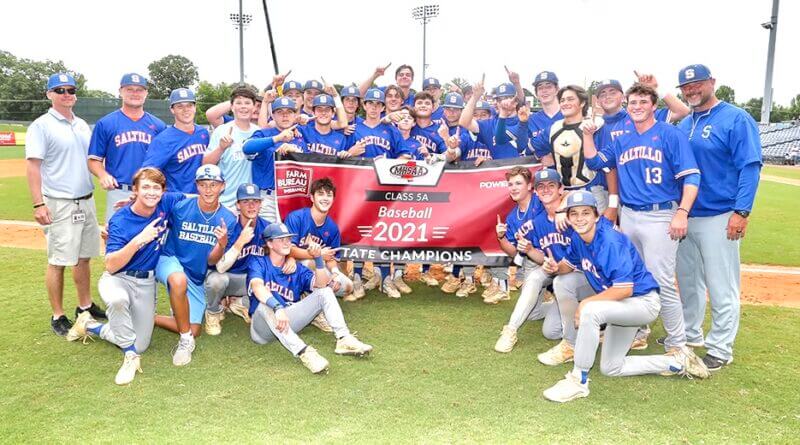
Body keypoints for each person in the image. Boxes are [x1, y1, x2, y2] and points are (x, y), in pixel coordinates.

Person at [540, 191, 709, 403]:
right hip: (620, 303)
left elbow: (625, 289)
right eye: (574, 213)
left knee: (590, 311)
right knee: (611, 367)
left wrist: (585, 304)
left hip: (641, 303)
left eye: (585, 213)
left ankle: (578, 380)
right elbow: (569, 265)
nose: (579, 218)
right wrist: (555, 267)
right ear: (568, 217)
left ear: (596, 216)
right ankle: (677, 362)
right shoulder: (578, 236)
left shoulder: (609, 241)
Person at [582, 83, 700, 355]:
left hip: (660, 214)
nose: (637, 107)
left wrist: (682, 212)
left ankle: (677, 344)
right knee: (634, 276)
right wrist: (588, 135)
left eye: (643, 102)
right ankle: (640, 331)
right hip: (630, 215)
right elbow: (595, 162)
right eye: (633, 102)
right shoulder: (622, 138)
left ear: (654, 106)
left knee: (662, 280)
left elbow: (692, 176)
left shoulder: (669, 134)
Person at [674, 64, 762, 371]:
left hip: (720, 214)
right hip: (686, 215)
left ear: (712, 82)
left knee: (721, 285)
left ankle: (721, 348)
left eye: (697, 83)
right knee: (688, 281)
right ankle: (690, 333)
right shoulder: (685, 123)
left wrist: (742, 211)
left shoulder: (736, 118)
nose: (691, 90)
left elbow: (750, 167)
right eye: (686, 87)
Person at [66, 167, 182, 385]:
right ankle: (130, 357)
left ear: (163, 191)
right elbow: (111, 265)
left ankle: (89, 325)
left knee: (141, 344)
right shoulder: (120, 219)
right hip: (118, 278)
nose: (151, 192)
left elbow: (195, 199)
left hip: (146, 282)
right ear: (135, 190)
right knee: (118, 302)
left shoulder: (165, 203)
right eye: (145, 187)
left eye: (156, 188)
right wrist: (139, 239)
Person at [25, 72, 104, 336]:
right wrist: (38, 204)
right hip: (59, 202)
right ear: (49, 94)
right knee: (58, 260)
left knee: (83, 258)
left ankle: (85, 305)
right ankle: (57, 315)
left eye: (71, 90)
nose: (66, 94)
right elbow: (33, 166)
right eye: (60, 90)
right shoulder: (41, 126)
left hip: (86, 200)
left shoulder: (81, 124)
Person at [247, 222, 374, 374]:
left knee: (325, 292)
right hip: (263, 329)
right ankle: (304, 352)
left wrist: (318, 258)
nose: (287, 242)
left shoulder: (297, 268)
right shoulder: (258, 262)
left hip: (288, 321)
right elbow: (257, 287)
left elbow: (321, 285)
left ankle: (344, 339)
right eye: (281, 239)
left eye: (288, 239)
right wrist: (277, 307)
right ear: (269, 243)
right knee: (265, 305)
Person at [153, 164, 238, 366]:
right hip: (170, 260)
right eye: (203, 184)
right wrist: (133, 201)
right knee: (178, 280)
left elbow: (211, 261)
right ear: (196, 185)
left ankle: (148, 318)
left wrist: (222, 244)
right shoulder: (180, 206)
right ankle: (185, 341)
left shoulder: (228, 218)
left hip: (195, 275)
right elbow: (152, 204)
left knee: (195, 329)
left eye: (213, 184)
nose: (208, 189)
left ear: (223, 186)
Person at [494, 169, 564, 352]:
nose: (514, 187)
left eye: (518, 183)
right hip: (536, 260)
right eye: (510, 184)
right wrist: (501, 237)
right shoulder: (512, 217)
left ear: (529, 186)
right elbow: (512, 252)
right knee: (532, 314)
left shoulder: (540, 200)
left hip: (564, 259)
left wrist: (563, 209)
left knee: (535, 281)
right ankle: (559, 305)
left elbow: (566, 194)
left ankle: (510, 330)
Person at [88, 73, 166, 222]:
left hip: (150, 192)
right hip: (119, 190)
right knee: (116, 233)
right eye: (130, 89)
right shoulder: (106, 123)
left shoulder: (158, 126)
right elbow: (93, 160)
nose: (135, 93)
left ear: (146, 93)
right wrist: (103, 175)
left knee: (150, 234)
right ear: (120, 91)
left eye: (139, 90)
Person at [284, 177, 353, 325]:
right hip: (293, 267)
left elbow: (331, 258)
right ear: (312, 198)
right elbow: (288, 249)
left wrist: (335, 273)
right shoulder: (296, 217)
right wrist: (318, 254)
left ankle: (310, 298)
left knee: (347, 286)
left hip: (318, 268)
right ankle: (315, 311)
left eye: (329, 195)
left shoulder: (332, 228)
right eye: (320, 194)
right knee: (312, 263)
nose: (325, 198)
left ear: (333, 199)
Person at [203, 183, 269, 335]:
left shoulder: (267, 227)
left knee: (273, 277)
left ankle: (240, 303)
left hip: (249, 281)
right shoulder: (230, 226)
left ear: (260, 204)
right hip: (226, 278)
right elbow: (220, 268)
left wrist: (290, 259)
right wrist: (240, 242)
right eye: (245, 201)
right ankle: (213, 312)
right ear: (238, 205)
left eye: (255, 201)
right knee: (216, 280)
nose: (251, 205)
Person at [142, 88, 223, 194]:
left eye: (189, 105)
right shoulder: (163, 140)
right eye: (180, 106)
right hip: (178, 199)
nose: (186, 110)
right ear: (172, 110)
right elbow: (147, 173)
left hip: (203, 197)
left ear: (195, 107)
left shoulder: (203, 133)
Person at [242, 97, 306, 223]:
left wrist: (296, 153)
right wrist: (278, 138)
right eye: (280, 112)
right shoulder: (264, 133)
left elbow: (308, 169)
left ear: (294, 115)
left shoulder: (300, 138)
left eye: (289, 112)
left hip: (292, 196)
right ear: (273, 115)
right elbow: (247, 148)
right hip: (268, 197)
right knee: (267, 233)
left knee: (291, 233)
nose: (285, 115)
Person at [209, 87, 260, 211]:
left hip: (250, 203)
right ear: (232, 107)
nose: (243, 107)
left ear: (254, 107)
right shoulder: (221, 130)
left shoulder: (259, 133)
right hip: (225, 203)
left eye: (247, 103)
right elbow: (206, 164)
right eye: (238, 103)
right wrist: (221, 148)